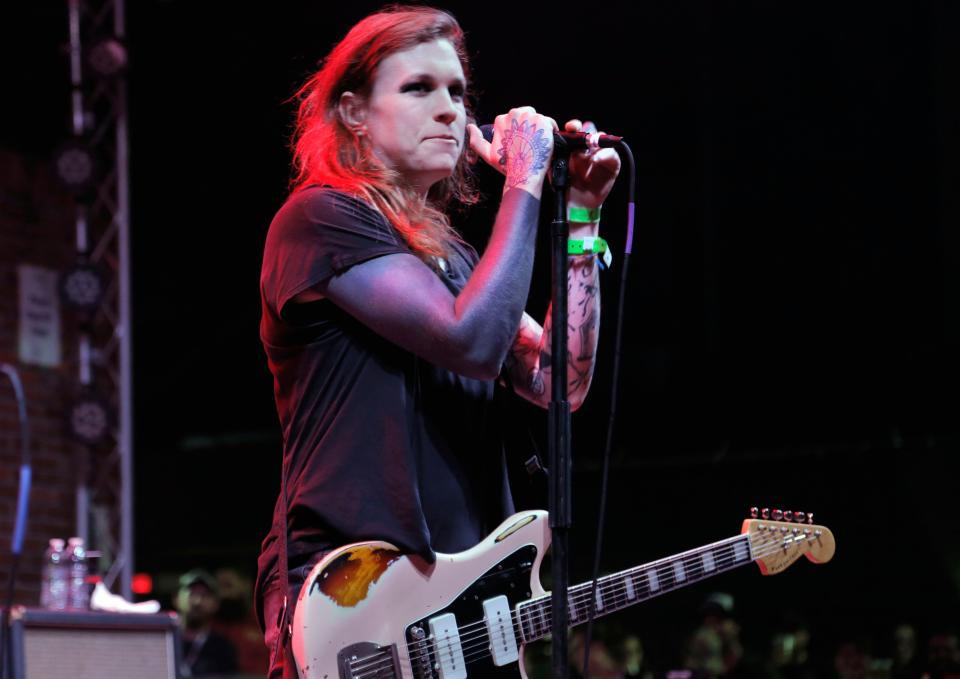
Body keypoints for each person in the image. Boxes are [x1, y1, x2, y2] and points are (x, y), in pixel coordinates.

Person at [254, 5, 621, 678]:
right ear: (354, 114)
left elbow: (556, 382)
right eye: (418, 88)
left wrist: (578, 220)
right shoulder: (320, 219)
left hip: (465, 596)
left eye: (456, 91)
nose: (451, 109)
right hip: (354, 594)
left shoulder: (450, 254)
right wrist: (524, 179)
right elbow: (471, 342)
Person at [175, 569, 240, 678]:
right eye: (191, 593)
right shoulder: (164, 642)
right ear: (176, 599)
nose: (197, 601)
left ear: (216, 604)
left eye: (205, 595)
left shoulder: (223, 648)